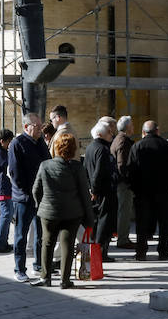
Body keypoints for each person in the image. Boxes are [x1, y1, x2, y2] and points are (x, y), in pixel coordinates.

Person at [31, 132, 94, 288]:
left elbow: (35, 190)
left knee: (47, 243)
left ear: (56, 148)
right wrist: (89, 217)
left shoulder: (45, 165)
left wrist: (40, 204)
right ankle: (65, 280)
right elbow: (84, 194)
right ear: (73, 149)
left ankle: (45, 277)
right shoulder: (78, 168)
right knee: (68, 244)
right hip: (72, 213)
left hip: (49, 212)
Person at [126, 120, 168, 261]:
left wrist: (134, 187)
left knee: (141, 223)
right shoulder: (166, 146)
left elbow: (130, 169)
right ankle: (163, 251)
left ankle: (141, 251)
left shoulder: (137, 146)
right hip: (163, 191)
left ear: (143, 132)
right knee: (164, 222)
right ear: (157, 131)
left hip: (142, 192)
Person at [9, 113, 51, 282]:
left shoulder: (40, 142)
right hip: (24, 198)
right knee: (21, 235)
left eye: (41, 126)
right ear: (26, 127)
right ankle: (19, 269)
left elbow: (47, 162)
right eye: (37, 126)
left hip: (42, 197)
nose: (41, 129)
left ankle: (39, 265)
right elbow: (14, 172)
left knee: (41, 235)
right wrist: (28, 192)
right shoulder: (17, 143)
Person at [86, 117, 119, 263]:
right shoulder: (102, 149)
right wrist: (95, 189)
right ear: (100, 134)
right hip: (104, 191)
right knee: (104, 223)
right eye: (109, 133)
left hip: (97, 191)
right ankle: (100, 253)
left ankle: (100, 253)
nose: (111, 135)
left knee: (100, 222)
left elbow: (87, 170)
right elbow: (98, 172)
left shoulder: (90, 147)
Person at [111, 116, 136, 250]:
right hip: (123, 183)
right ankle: (123, 239)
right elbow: (122, 164)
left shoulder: (119, 139)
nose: (133, 127)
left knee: (124, 210)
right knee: (124, 211)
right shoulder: (123, 141)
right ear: (127, 127)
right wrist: (128, 180)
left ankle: (123, 236)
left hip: (121, 181)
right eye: (131, 125)